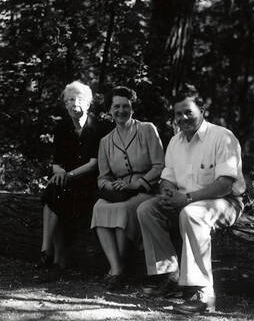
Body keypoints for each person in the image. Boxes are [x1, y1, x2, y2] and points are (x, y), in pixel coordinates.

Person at [137, 85, 246, 315]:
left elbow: (225, 184)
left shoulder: (222, 137)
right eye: (178, 114)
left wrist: (186, 198)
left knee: (192, 213)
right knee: (147, 209)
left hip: (224, 202)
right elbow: (167, 178)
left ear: (202, 109)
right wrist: (168, 193)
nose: (183, 118)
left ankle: (203, 294)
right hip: (185, 200)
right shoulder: (175, 142)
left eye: (188, 111)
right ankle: (170, 277)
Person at [90, 86, 164, 291]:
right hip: (118, 191)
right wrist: (110, 186)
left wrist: (136, 184)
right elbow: (102, 177)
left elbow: (159, 166)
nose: (121, 111)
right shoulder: (105, 141)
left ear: (132, 108)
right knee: (99, 207)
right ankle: (116, 268)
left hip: (145, 189)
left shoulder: (147, 129)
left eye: (125, 106)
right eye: (116, 106)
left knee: (123, 210)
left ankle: (118, 270)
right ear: (109, 110)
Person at [38, 81, 108, 280]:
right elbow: (57, 162)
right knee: (53, 190)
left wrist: (68, 175)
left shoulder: (98, 128)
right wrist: (59, 172)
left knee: (60, 196)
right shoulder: (62, 128)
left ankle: (56, 258)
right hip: (67, 180)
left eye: (77, 99)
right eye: (68, 100)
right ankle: (46, 251)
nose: (72, 104)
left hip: (88, 181)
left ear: (87, 104)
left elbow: (94, 164)